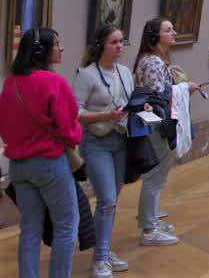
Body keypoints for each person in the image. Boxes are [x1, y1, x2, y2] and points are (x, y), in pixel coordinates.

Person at [0, 28, 81, 278]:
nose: (61, 48)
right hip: (48, 164)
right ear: (42, 51)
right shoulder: (54, 82)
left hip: (19, 166)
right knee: (67, 225)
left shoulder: (10, 81)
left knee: (30, 229)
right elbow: (70, 128)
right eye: (57, 44)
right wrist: (74, 136)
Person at [74, 25, 136, 277]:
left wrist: (143, 108)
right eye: (114, 42)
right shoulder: (87, 75)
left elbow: (131, 101)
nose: (119, 46)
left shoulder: (124, 72)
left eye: (121, 42)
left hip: (121, 141)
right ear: (101, 46)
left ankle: (104, 248)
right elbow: (75, 113)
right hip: (96, 142)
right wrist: (105, 115)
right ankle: (99, 259)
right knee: (107, 199)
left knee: (112, 202)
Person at [132, 17, 200, 245]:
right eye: (168, 30)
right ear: (155, 35)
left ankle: (150, 219)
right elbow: (157, 95)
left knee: (158, 177)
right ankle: (149, 230)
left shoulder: (156, 60)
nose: (174, 33)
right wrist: (185, 88)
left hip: (158, 124)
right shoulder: (152, 62)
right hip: (156, 125)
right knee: (155, 177)